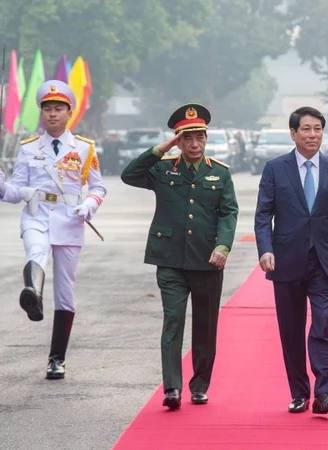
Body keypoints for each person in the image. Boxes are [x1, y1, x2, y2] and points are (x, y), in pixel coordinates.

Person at [120, 103, 238, 410]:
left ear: (206, 139)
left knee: (205, 325)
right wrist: (162, 148)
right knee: (172, 322)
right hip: (170, 260)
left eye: (199, 137)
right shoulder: (163, 170)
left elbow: (229, 212)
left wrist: (223, 246)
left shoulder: (220, 174)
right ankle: (172, 388)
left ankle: (199, 386)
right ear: (178, 141)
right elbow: (129, 174)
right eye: (187, 139)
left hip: (207, 261)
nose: (195, 144)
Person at [0, 80, 107, 380]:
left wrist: (88, 207)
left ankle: (56, 359)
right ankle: (32, 294)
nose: (52, 114)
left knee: (65, 291)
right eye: (47, 108)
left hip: (70, 221)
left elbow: (98, 188)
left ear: (69, 112)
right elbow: (15, 190)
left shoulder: (84, 149)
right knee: (35, 250)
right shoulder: (28, 148)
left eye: (58, 108)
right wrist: (1, 186)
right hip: (35, 215)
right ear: (41, 113)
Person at [254, 106, 328, 415]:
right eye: (306, 129)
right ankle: (299, 392)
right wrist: (265, 249)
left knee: (324, 321)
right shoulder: (275, 168)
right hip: (286, 260)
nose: (313, 135)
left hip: (324, 260)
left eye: (318, 129)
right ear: (293, 133)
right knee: (291, 329)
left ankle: (325, 392)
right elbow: (263, 214)